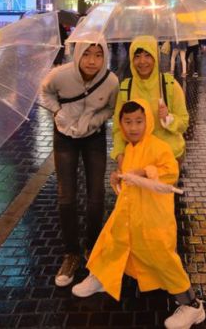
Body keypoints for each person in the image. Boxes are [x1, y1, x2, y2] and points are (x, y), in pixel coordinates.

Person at [72, 100, 205, 328]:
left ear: (148, 121)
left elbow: (171, 172)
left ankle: (192, 306)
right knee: (111, 244)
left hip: (153, 219)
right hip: (127, 215)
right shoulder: (129, 149)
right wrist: (118, 179)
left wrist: (144, 172)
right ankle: (103, 278)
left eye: (138, 121)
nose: (133, 127)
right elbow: (128, 185)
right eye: (128, 122)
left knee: (163, 259)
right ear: (121, 124)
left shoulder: (158, 146)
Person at [39, 38, 120, 287]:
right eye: (87, 54)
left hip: (94, 137)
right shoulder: (60, 75)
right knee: (66, 195)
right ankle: (71, 253)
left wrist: (94, 122)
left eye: (98, 54)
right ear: (77, 54)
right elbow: (45, 92)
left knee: (96, 194)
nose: (92, 61)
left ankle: (92, 246)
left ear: (105, 56)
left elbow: (111, 108)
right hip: (64, 138)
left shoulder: (111, 81)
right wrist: (58, 112)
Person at [112, 36, 189, 163]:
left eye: (148, 55)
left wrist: (168, 118)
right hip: (137, 158)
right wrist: (120, 155)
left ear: (155, 57)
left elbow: (184, 122)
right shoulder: (126, 88)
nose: (142, 61)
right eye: (137, 56)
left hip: (167, 156)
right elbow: (118, 127)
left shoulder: (170, 85)